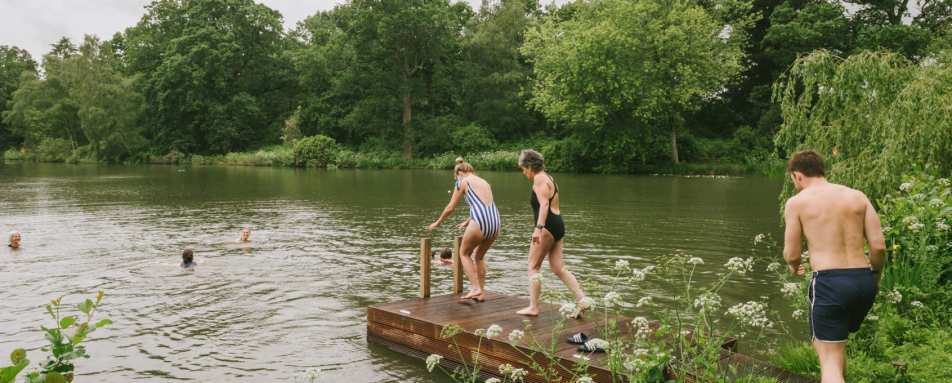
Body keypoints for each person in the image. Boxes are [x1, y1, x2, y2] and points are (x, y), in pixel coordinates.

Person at [782, 150, 885, 383]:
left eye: (793, 180)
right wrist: (875, 277)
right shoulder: (858, 196)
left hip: (830, 283)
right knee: (837, 348)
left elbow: (792, 253)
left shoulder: (797, 203)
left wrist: (794, 266)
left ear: (798, 175)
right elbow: (878, 247)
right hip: (863, 282)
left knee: (829, 360)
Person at [516, 149, 589, 316]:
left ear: (529, 166)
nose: (523, 172)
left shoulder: (539, 179)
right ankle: (582, 299)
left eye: (523, 169)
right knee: (558, 268)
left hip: (547, 226)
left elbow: (544, 205)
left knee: (533, 267)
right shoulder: (549, 177)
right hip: (557, 225)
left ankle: (533, 307)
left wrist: (538, 228)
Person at [427, 158, 500, 302]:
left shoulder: (462, 181)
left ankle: (475, 288)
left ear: (460, 172)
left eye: (456, 176)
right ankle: (481, 293)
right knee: (479, 257)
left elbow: (450, 207)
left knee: (464, 253)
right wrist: (467, 221)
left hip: (479, 221)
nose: (456, 179)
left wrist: (438, 222)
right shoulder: (485, 182)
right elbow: (484, 204)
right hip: (495, 221)